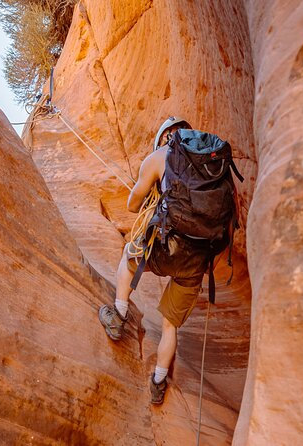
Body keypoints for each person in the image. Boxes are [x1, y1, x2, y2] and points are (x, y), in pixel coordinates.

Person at [98, 116, 235, 405]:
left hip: (164, 247)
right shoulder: (215, 167)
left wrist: (152, 195)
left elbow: (133, 204)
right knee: (170, 326)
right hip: (197, 259)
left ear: (164, 137)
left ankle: (118, 315)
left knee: (128, 257)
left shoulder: (161, 156)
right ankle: (159, 382)